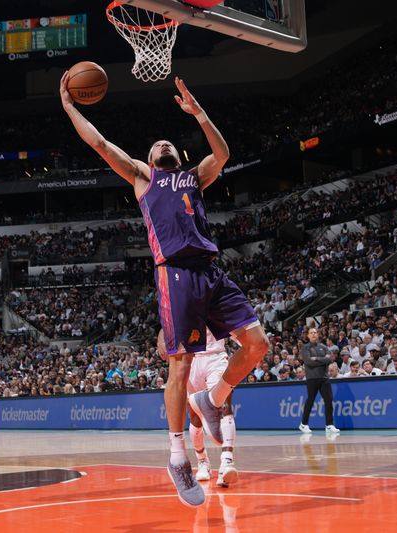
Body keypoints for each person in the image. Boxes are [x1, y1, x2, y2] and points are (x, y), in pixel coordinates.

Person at [62, 74, 269, 507]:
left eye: (168, 143)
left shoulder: (195, 177)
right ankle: (178, 456)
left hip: (211, 270)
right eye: (156, 146)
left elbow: (223, 153)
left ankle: (212, 400)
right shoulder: (142, 178)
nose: (163, 145)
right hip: (174, 273)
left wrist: (200, 115)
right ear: (150, 160)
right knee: (179, 364)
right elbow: (100, 144)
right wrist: (70, 107)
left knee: (256, 345)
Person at [159, 328, 238, 488]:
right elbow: (167, 323)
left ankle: (226, 462)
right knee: (195, 418)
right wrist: (161, 340)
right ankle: (203, 461)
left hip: (215, 357)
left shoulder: (217, 303)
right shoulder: (183, 303)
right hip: (190, 359)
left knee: (223, 405)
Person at [298, 327, 339, 435]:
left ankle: (329, 425)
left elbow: (329, 359)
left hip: (324, 378)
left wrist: (316, 358)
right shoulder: (305, 348)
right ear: (308, 336)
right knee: (310, 401)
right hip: (312, 378)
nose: (313, 334)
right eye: (311, 333)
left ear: (318, 335)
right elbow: (308, 362)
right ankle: (303, 424)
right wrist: (322, 360)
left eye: (315, 332)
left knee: (329, 401)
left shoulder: (323, 347)